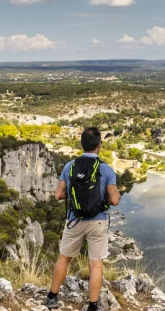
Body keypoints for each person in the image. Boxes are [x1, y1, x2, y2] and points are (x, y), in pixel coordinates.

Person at [43, 127, 121, 311]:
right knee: (95, 264)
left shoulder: (70, 166)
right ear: (99, 146)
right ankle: (92, 306)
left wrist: (75, 197)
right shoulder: (106, 169)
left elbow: (58, 195)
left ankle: (52, 297)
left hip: (75, 219)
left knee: (64, 258)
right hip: (98, 221)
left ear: (82, 145)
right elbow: (115, 200)